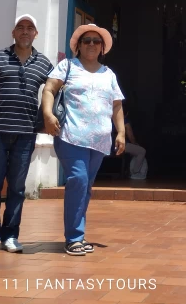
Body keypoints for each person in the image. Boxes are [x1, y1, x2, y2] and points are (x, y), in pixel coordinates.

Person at [0, 14, 52, 255]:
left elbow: (53, 91)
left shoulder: (44, 63)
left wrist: (51, 118)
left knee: (16, 187)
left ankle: (11, 235)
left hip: (25, 135)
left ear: (36, 34)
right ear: (13, 33)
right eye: (20, 27)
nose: (25, 31)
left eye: (30, 28)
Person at [42, 23, 125, 256]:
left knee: (85, 187)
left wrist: (120, 133)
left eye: (95, 41)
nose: (91, 44)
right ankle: (73, 238)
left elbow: (116, 104)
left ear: (102, 48)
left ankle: (78, 234)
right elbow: (49, 89)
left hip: (99, 141)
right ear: (78, 45)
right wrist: (48, 114)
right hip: (70, 135)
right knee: (77, 180)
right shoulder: (67, 66)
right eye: (86, 40)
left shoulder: (108, 74)